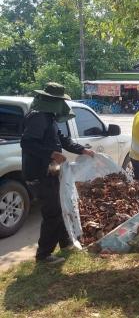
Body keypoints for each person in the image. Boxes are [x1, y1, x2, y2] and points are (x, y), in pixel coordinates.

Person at [21, 82, 95, 265]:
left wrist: (82, 150)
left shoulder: (49, 117)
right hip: (39, 174)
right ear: (50, 100)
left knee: (61, 206)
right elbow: (27, 143)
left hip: (50, 172)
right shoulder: (38, 117)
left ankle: (66, 243)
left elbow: (62, 139)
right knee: (52, 212)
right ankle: (44, 255)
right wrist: (51, 154)